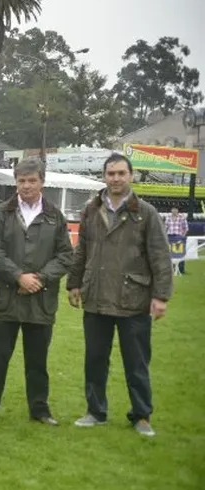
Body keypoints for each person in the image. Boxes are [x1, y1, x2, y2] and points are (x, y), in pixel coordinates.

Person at [66, 153, 173, 438]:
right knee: (95, 360)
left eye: (121, 173)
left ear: (131, 176)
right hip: (97, 297)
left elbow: (160, 257)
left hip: (133, 300)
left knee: (136, 363)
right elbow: (82, 251)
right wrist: (74, 283)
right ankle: (95, 412)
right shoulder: (91, 210)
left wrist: (161, 296)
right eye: (110, 174)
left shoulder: (146, 213)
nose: (115, 179)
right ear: (104, 176)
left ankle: (141, 415)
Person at [0, 158, 74, 425]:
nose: (26, 186)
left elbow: (65, 255)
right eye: (21, 181)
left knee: (37, 361)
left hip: (41, 300)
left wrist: (40, 278)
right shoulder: (1, 214)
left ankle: (39, 410)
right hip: (4, 299)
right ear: (15, 182)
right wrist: (18, 276)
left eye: (32, 180)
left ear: (42, 181)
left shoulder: (55, 216)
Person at [164, 205, 189, 275]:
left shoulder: (182, 217)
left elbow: (186, 228)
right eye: (173, 209)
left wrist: (182, 237)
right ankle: (171, 269)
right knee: (170, 254)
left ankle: (181, 270)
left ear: (178, 210)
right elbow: (165, 227)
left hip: (179, 237)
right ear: (171, 210)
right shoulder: (168, 217)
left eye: (175, 209)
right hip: (170, 237)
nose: (174, 210)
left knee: (180, 253)